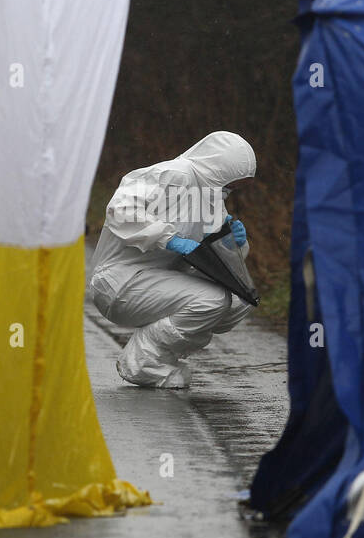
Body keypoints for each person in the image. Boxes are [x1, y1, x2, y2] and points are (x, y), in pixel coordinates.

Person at [89, 131, 257, 388]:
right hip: (119, 280)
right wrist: (168, 238)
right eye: (232, 183)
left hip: (157, 281)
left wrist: (234, 244)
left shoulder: (210, 195)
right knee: (212, 300)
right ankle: (143, 363)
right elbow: (121, 211)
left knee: (237, 300)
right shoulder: (173, 175)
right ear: (219, 169)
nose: (232, 190)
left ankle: (160, 356)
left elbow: (222, 265)